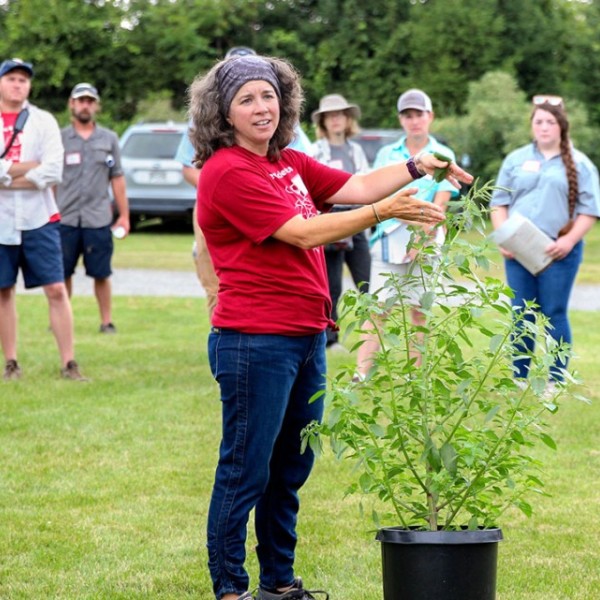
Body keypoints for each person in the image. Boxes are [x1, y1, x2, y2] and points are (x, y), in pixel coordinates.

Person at [187, 54, 472, 600]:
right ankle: (229, 589)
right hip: (254, 340)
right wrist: (386, 212)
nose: (261, 107)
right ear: (222, 112)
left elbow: (359, 185)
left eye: (267, 95)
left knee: (290, 468)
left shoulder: (286, 160)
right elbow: (301, 233)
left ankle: (278, 583)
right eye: (245, 99)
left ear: (284, 100)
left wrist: (423, 164)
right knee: (246, 471)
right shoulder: (226, 171)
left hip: (306, 335)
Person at [175, 46, 313, 322]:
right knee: (216, 279)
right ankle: (223, 328)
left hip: (273, 207)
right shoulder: (202, 122)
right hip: (217, 207)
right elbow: (187, 167)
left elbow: (304, 165)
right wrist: (227, 192)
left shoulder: (278, 121)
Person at [490, 95, 600, 388]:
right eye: (538, 121)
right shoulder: (515, 160)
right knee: (521, 312)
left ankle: (555, 379)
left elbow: (590, 210)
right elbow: (499, 203)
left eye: (550, 122)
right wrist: (503, 237)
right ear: (531, 126)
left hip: (558, 251)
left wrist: (568, 242)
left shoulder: (580, 164)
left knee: (553, 312)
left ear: (562, 126)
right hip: (518, 251)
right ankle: (520, 378)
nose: (544, 127)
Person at [355, 88, 459, 379]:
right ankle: (361, 373)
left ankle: (416, 375)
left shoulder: (443, 154)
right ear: (401, 120)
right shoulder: (388, 153)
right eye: (408, 115)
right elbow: (378, 193)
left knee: (419, 309)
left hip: (426, 236)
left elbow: (441, 203)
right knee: (378, 308)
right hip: (389, 233)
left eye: (419, 114)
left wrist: (423, 237)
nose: (414, 121)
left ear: (430, 117)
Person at [0, 58, 86, 381]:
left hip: (40, 216)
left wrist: (7, 173)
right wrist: (28, 168)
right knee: (3, 290)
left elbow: (53, 171)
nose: (17, 85)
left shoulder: (44, 121)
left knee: (55, 287)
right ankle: (11, 361)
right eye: (11, 78)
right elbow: (39, 170)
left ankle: (69, 362)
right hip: (2, 219)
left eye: (23, 80)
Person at [55, 82, 130, 334]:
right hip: (65, 218)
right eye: (80, 100)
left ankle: (106, 321)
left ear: (95, 105)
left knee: (101, 273)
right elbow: (52, 179)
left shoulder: (108, 139)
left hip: (97, 218)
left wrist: (125, 216)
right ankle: (61, 320)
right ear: (72, 104)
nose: (85, 105)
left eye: (89, 101)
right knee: (62, 273)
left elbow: (117, 179)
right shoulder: (60, 138)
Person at [311, 94, 371, 352]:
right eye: (330, 115)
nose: (336, 119)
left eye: (340, 114)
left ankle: (375, 337)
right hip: (330, 223)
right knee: (331, 285)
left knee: (367, 282)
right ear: (323, 121)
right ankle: (330, 339)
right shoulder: (315, 151)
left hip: (356, 223)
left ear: (347, 119)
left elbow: (367, 184)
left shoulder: (355, 151)